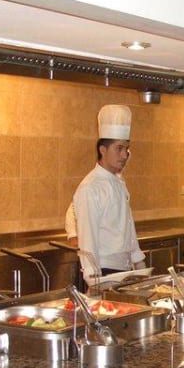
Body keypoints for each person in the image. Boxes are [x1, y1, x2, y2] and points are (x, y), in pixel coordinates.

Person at [72, 104, 145, 278]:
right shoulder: (90, 187)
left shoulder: (118, 182)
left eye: (126, 148)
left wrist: (139, 264)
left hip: (125, 269)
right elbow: (87, 240)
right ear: (102, 150)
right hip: (105, 271)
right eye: (119, 148)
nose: (124, 155)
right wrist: (94, 280)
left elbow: (128, 226)